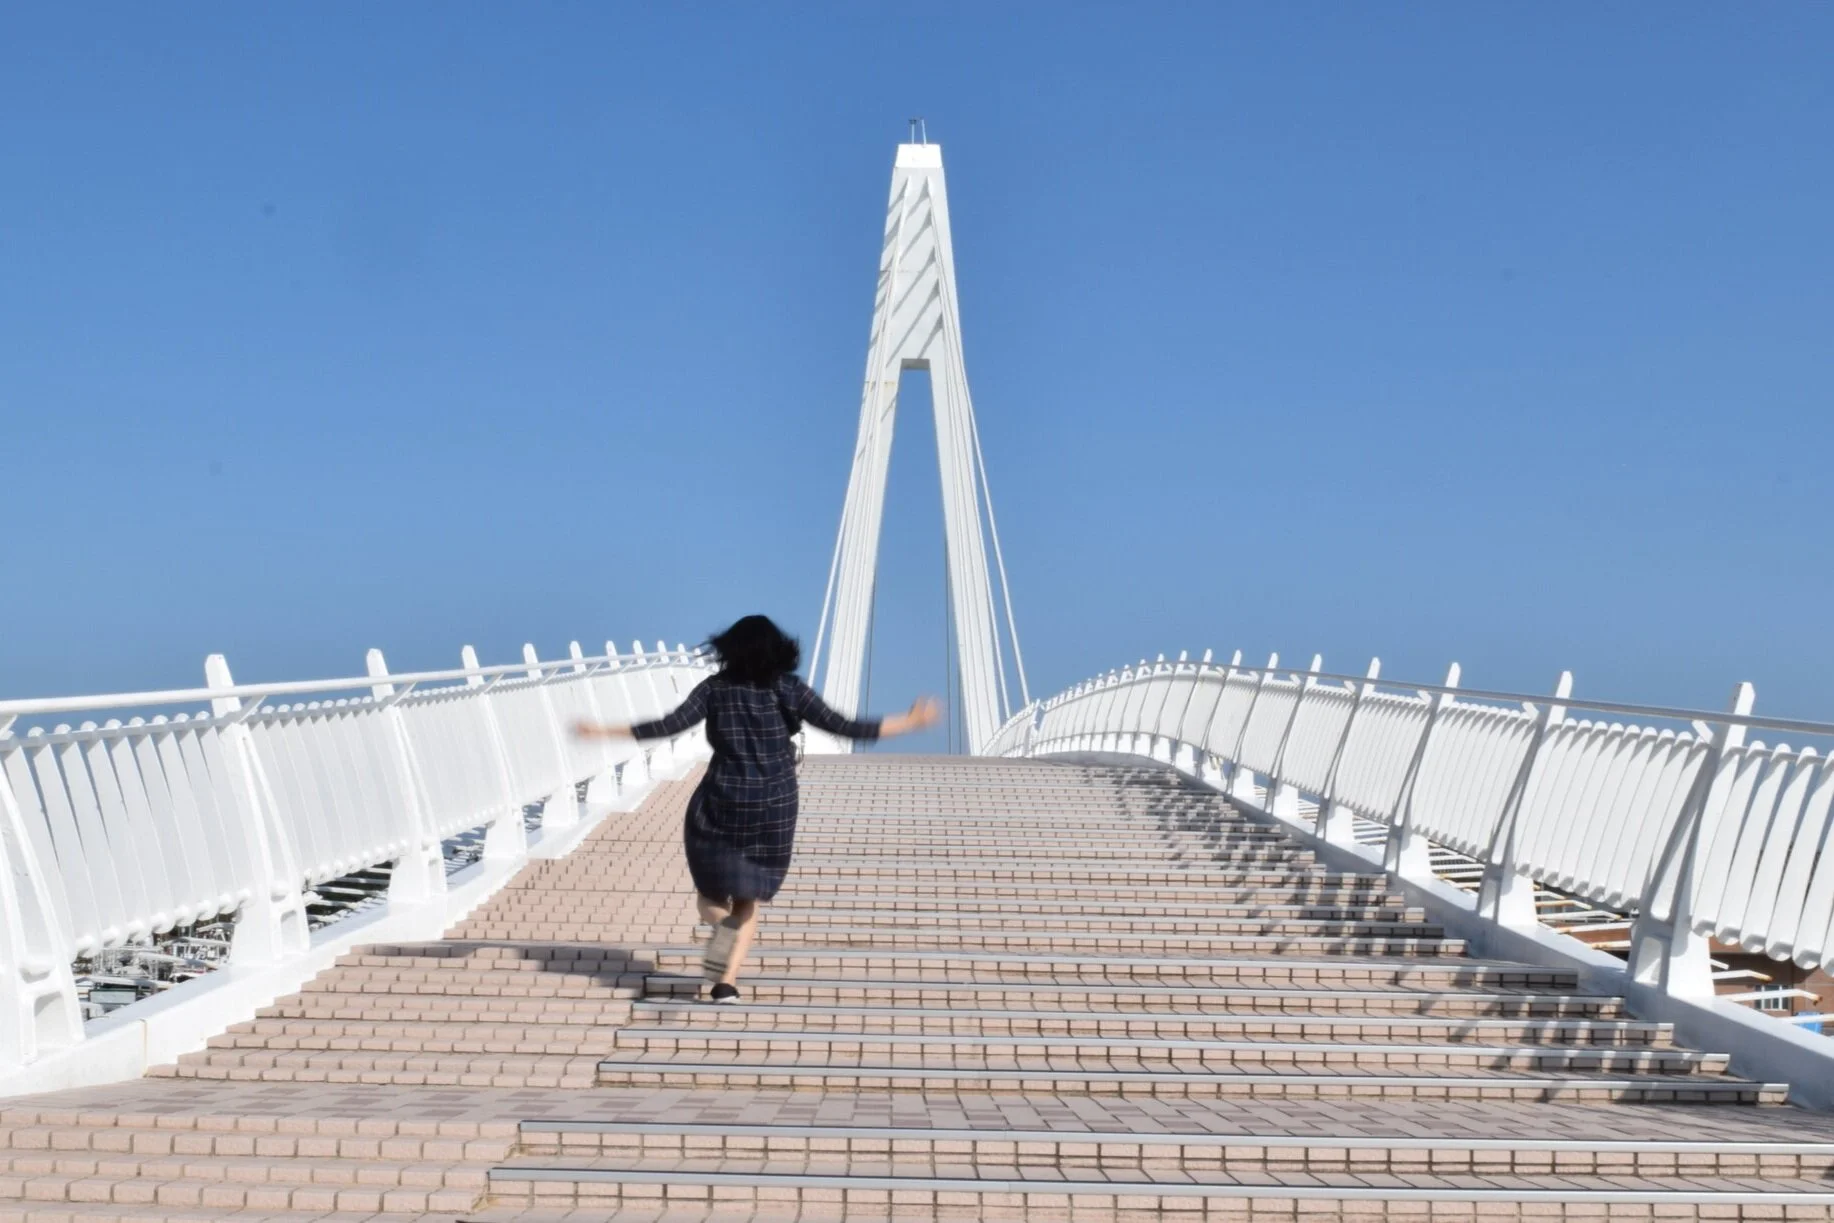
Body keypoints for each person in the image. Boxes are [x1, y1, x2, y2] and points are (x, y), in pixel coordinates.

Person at [573, 614, 941, 1002]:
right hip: (774, 804)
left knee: (710, 896)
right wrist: (911, 722)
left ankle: (722, 931)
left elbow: (669, 725)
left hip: (722, 800)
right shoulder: (789, 688)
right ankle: (724, 985)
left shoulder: (715, 689)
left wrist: (602, 732)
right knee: (747, 898)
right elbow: (843, 726)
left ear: (729, 649)